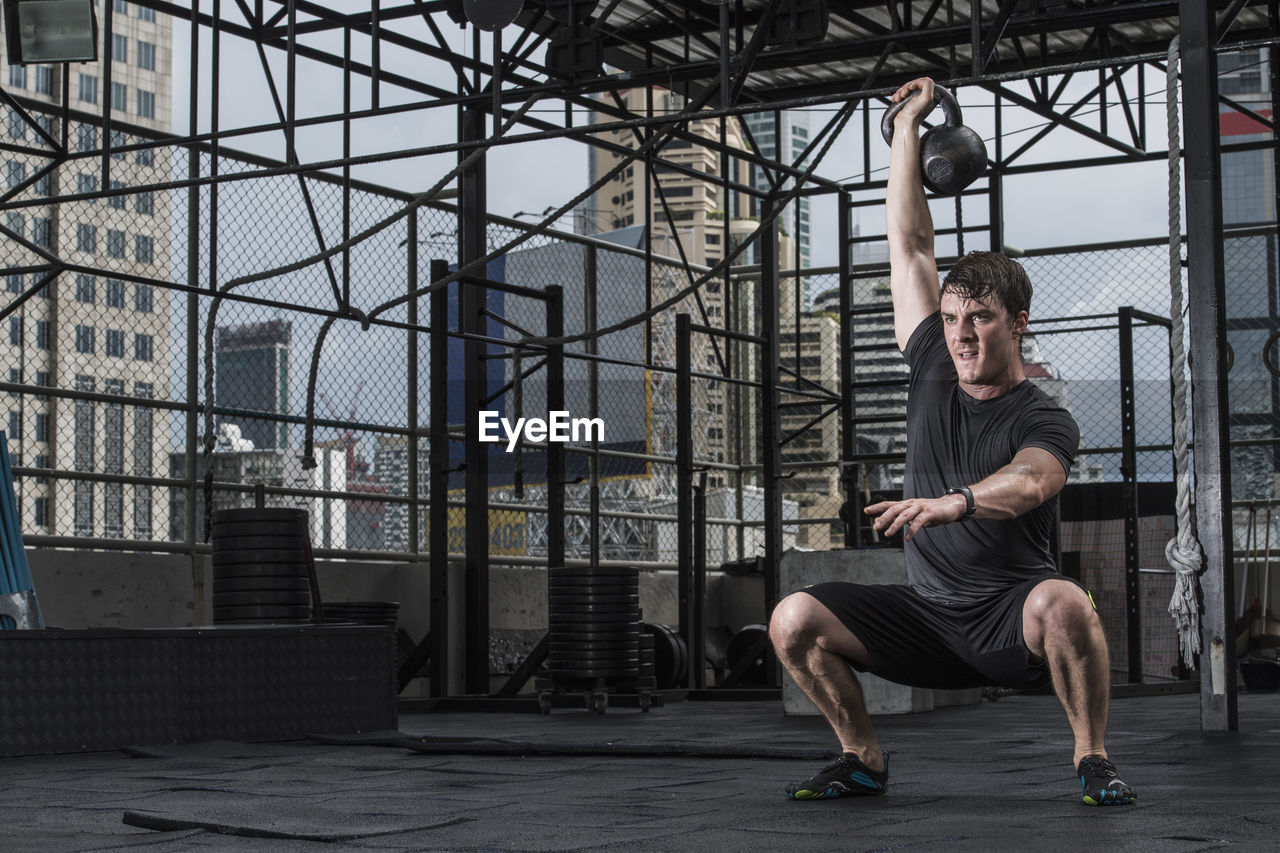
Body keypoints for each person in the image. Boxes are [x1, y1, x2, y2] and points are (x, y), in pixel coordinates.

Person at [768, 77, 1135, 807]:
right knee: (793, 617)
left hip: (1010, 619)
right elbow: (909, 243)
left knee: (1065, 602)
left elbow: (1032, 482)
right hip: (927, 616)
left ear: (1019, 323)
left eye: (983, 320)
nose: (963, 335)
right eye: (955, 318)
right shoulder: (933, 357)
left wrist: (954, 503)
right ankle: (862, 757)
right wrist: (908, 125)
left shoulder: (1043, 415)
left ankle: (1092, 757)